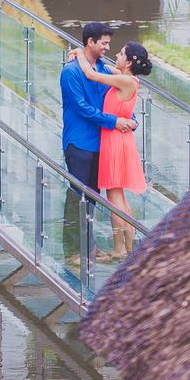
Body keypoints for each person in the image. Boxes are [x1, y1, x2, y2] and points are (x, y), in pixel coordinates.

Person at [60, 22, 137, 271]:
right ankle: (73, 251)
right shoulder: (71, 72)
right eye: (103, 43)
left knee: (92, 197)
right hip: (79, 142)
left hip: (101, 143)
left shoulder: (103, 68)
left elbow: (123, 94)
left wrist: (128, 119)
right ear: (90, 42)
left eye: (108, 43)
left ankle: (89, 246)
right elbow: (83, 108)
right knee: (77, 197)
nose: (107, 47)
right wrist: (116, 122)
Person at [68, 40, 150, 259]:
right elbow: (100, 66)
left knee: (114, 197)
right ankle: (128, 246)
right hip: (117, 139)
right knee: (119, 196)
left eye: (121, 53)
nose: (117, 54)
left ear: (130, 60)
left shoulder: (125, 80)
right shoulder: (126, 78)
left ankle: (120, 248)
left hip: (114, 141)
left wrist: (78, 53)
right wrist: (81, 52)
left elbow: (92, 74)